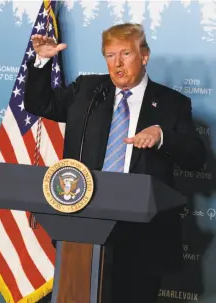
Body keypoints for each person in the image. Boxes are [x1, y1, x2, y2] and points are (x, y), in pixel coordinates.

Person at [25, 23, 205, 303]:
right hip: (83, 226)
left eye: (125, 54)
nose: (117, 63)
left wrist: (161, 137)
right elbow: (39, 104)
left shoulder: (172, 103)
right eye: (110, 55)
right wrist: (43, 61)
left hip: (143, 235)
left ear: (144, 56)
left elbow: (196, 157)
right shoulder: (87, 90)